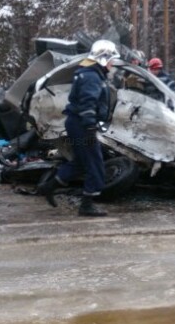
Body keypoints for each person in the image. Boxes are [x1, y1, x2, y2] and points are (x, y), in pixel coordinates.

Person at [37, 39, 118, 217]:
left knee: (81, 163)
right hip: (82, 125)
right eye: (111, 59)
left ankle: (49, 186)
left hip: (77, 123)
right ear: (103, 58)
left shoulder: (89, 72)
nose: (113, 64)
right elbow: (88, 103)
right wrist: (90, 127)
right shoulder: (91, 76)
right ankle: (87, 205)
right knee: (95, 164)